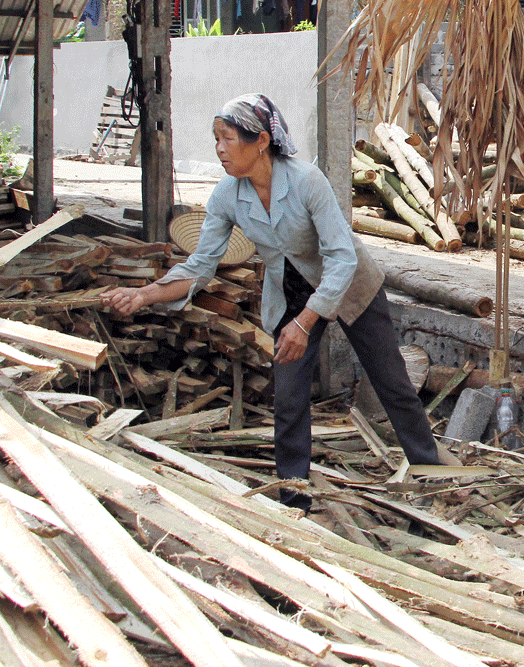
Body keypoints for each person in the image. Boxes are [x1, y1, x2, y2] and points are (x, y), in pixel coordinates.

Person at [101, 93, 440, 510]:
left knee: (394, 386)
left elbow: (342, 256)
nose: (220, 149)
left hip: (350, 287)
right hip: (292, 296)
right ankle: (293, 500)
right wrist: (143, 295)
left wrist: (306, 324)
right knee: (290, 400)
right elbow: (201, 265)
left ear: (260, 140)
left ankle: (432, 475)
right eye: (216, 140)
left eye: (227, 139)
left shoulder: (306, 181)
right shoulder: (227, 195)